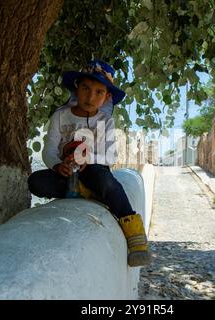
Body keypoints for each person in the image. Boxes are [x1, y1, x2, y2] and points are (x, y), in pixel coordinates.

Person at [27, 60, 151, 267]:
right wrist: (58, 165)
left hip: (94, 171)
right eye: (85, 88)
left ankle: (135, 234)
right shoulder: (60, 116)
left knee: (106, 182)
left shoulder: (105, 121)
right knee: (36, 182)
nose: (90, 97)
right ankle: (87, 191)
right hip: (65, 174)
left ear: (107, 97)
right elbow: (49, 150)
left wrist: (88, 159)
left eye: (98, 92)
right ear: (77, 88)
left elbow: (110, 157)